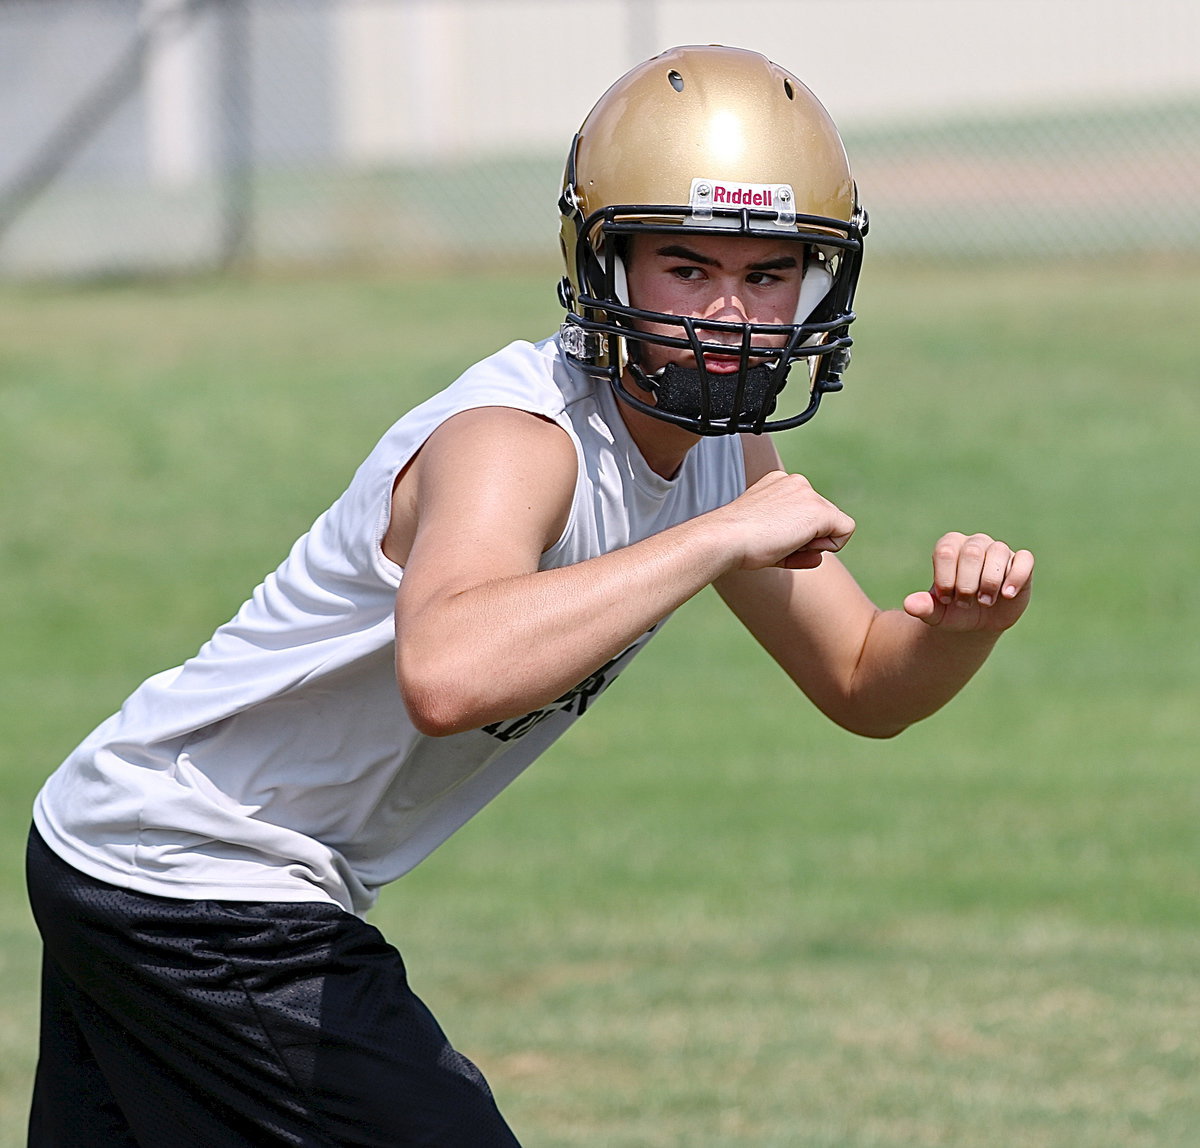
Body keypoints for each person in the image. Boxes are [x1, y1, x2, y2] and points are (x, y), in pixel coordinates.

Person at [26, 44, 1034, 1147]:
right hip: (191, 872)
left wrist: (958, 631)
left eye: (769, 273)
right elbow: (448, 674)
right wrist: (716, 538)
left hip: (137, 849)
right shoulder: (520, 442)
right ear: (605, 267)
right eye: (686, 269)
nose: (733, 314)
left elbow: (861, 680)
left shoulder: (720, 451)